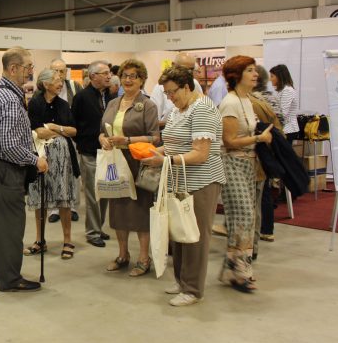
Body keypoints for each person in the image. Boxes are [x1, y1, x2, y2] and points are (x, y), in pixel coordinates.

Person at [140, 66, 226, 306]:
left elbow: (200, 154)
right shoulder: (180, 109)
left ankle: (193, 289)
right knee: (179, 233)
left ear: (187, 87)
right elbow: (175, 144)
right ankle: (181, 280)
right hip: (180, 180)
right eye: (166, 94)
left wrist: (165, 160)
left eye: (172, 92)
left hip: (202, 182)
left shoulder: (203, 109)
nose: (170, 98)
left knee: (195, 235)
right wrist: (153, 152)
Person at [0, 47, 48, 292]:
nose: (31, 71)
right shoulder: (9, 99)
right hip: (4, 169)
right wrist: (34, 160)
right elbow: (9, 146)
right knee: (10, 225)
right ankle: (9, 278)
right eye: (28, 66)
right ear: (13, 68)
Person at [99, 59, 159, 277]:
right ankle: (123, 255)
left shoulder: (148, 105)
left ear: (142, 79)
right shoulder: (113, 103)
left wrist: (128, 140)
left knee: (141, 211)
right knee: (118, 211)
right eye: (124, 75)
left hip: (137, 164)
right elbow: (102, 130)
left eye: (133, 76)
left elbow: (154, 137)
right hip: (115, 163)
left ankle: (144, 258)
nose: (128, 80)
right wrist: (102, 139)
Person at [218, 56, 273, 293]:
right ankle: (238, 271)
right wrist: (259, 138)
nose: (255, 74)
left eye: (254, 70)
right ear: (236, 75)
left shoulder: (247, 100)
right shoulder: (230, 103)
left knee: (246, 219)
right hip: (233, 164)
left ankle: (237, 271)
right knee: (244, 217)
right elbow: (228, 141)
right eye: (249, 70)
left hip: (249, 164)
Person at [24, 68, 80, 260]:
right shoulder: (35, 104)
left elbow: (73, 131)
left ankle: (67, 241)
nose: (60, 82)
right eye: (57, 79)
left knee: (64, 198)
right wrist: (59, 132)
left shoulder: (63, 104)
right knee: (40, 197)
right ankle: (40, 240)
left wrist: (56, 128)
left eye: (61, 79)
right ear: (46, 84)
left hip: (63, 158)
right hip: (40, 156)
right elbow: (38, 132)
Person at [72, 60, 113, 248]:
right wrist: (91, 138)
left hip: (107, 152)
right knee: (93, 196)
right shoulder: (81, 97)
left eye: (109, 72)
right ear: (93, 76)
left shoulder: (109, 96)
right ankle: (92, 232)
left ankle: (98, 227)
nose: (109, 76)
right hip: (90, 152)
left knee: (105, 193)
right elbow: (76, 126)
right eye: (104, 73)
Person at [45, 58, 82, 223]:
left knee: (73, 172)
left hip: (72, 136)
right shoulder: (45, 88)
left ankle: (72, 206)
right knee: (53, 172)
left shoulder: (75, 87)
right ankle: (54, 209)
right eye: (55, 70)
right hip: (51, 137)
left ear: (66, 72)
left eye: (62, 70)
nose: (59, 74)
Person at [251, 66, 282, 247]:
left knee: (261, 193)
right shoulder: (271, 97)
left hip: (260, 148)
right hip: (270, 145)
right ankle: (267, 230)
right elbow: (280, 120)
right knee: (265, 190)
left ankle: (264, 230)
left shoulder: (254, 101)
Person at [150, 53, 203, 127]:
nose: (187, 73)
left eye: (191, 70)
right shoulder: (159, 87)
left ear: (187, 88)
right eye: (183, 69)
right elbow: (152, 122)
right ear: (173, 65)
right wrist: (176, 122)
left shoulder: (195, 84)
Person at [269, 64, 298, 140]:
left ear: (279, 77)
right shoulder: (282, 90)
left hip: (288, 130)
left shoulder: (287, 90)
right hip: (284, 129)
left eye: (272, 76)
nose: (270, 79)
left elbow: (283, 113)